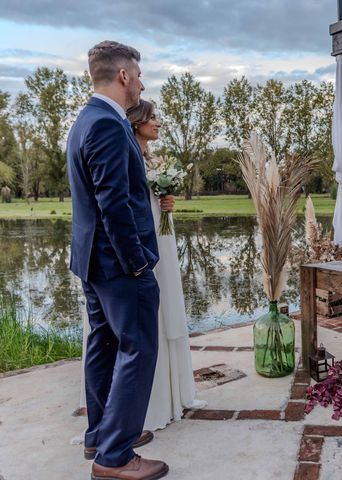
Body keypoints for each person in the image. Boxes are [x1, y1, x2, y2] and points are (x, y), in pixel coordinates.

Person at [66, 41, 168, 480]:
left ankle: (101, 434)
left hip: (93, 263)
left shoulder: (85, 120)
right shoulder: (107, 124)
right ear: (124, 76)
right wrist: (138, 264)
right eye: (138, 75)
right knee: (137, 349)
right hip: (118, 266)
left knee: (104, 345)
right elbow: (114, 204)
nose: (141, 83)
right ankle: (115, 456)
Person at [126, 99, 207, 428]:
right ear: (136, 122)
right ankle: (152, 399)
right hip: (147, 244)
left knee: (169, 303)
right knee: (153, 311)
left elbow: (151, 200)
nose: (158, 122)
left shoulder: (149, 157)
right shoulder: (129, 154)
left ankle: (176, 391)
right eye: (153, 117)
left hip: (163, 236)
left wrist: (165, 201)